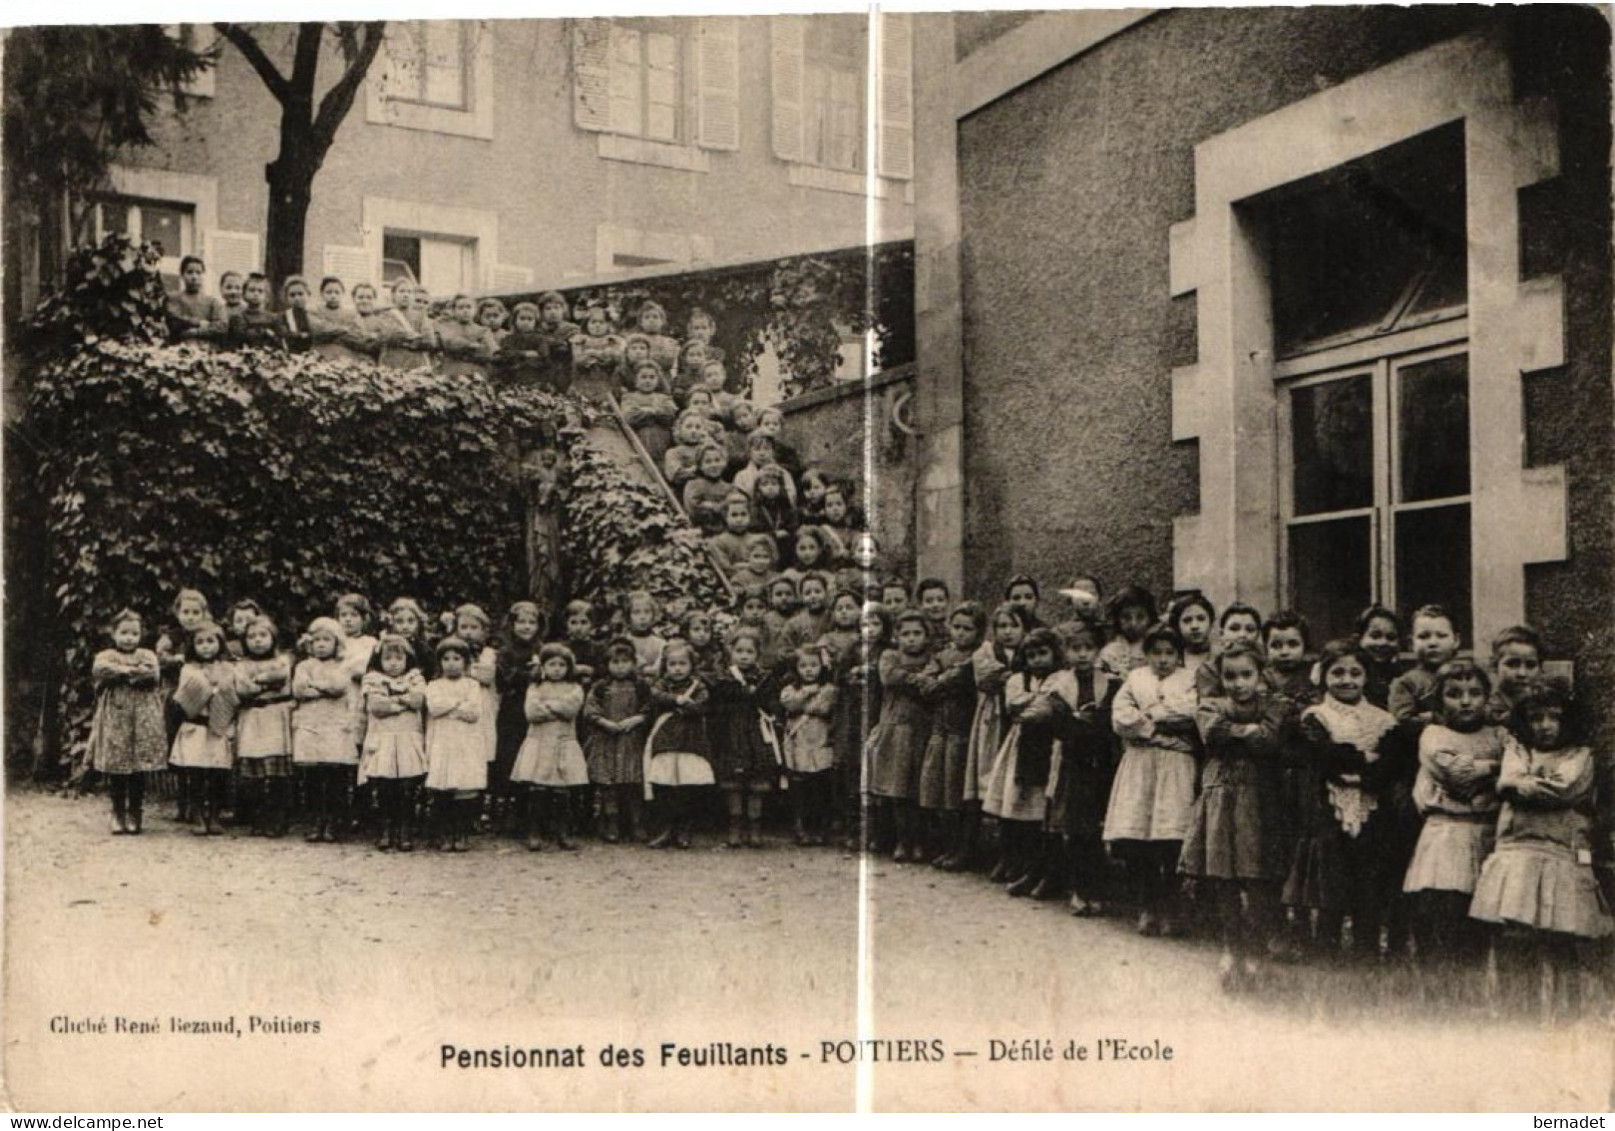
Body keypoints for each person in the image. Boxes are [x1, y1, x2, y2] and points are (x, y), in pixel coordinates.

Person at [1470, 683, 1612, 1018]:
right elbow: (1508, 780)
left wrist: (1522, 786)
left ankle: (1564, 1021)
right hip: (1518, 853)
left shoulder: (1580, 756)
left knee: (1561, 938)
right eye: (1536, 718)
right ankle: (1518, 1014)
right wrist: (1516, 784)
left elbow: (1563, 788)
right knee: (1516, 937)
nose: (1545, 726)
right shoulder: (1518, 750)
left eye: (1553, 718)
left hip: (1561, 854)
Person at [1180, 640, 1293, 990]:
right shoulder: (1209, 705)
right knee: (1223, 876)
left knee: (1258, 876)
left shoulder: (1276, 706)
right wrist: (1250, 729)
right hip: (1220, 800)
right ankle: (1231, 945)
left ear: (1260, 675)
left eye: (1247, 675)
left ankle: (1256, 946)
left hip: (1260, 800)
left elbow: (1270, 741)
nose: (1238, 683)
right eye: (1230, 676)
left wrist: (1242, 731)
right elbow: (1213, 734)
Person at [1284, 638, 1401, 954]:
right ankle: (1326, 949)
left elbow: (1391, 766)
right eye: (1338, 673)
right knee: (1330, 881)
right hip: (1327, 809)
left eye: (1355, 673)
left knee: (1368, 880)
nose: (1347, 680)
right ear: (1323, 676)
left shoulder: (1383, 720)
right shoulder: (1315, 716)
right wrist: (1364, 759)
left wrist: (1358, 764)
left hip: (1373, 810)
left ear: (1366, 677)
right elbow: (1325, 759)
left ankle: (1366, 950)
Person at [1402, 659, 1503, 968]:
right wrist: (1492, 769)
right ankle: (1437, 991)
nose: (1465, 701)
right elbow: (1456, 773)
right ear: (1440, 700)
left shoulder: (1499, 735)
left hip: (1485, 832)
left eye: (1474, 693)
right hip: (1445, 835)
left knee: (1480, 919)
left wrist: (1496, 772)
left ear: (1487, 697)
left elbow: (1514, 773)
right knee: (1442, 911)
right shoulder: (1434, 735)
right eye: (1454, 693)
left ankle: (1473, 996)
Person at [1105, 622, 1200, 936]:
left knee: (1171, 836)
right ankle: (1149, 903)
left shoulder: (1189, 680)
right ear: (1146, 655)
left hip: (1175, 766)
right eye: (1156, 653)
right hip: (1141, 765)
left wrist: (1152, 715)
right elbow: (1120, 716)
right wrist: (1155, 727)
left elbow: (1191, 714)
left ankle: (1173, 905)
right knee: (1138, 835)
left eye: (1170, 653)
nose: (1163, 659)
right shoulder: (1136, 678)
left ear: (1178, 655)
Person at [988, 627, 1076, 894]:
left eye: (1043, 653)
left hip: (1050, 747)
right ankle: (1025, 866)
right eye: (1031, 655)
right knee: (1020, 806)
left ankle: (1050, 873)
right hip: (1020, 746)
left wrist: (1036, 705)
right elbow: (1013, 707)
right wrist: (1036, 704)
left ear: (1055, 653)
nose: (1037, 660)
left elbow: (1050, 707)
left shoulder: (1062, 677)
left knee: (1044, 811)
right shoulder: (1016, 679)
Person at [1046, 616, 1118, 913]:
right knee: (1075, 830)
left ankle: (1097, 890)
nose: (1083, 654)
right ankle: (1078, 889)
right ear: (1067, 652)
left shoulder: (1111, 684)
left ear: (1098, 650)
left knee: (1097, 831)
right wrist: (1081, 722)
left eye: (1089, 647)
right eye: (1076, 648)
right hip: (1072, 765)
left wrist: (1084, 721)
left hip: (1102, 765)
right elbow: (1061, 726)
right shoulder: (1060, 685)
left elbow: (1108, 723)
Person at [963, 603, 1033, 875]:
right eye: (1002, 626)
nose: (1007, 632)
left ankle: (1019, 858)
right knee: (991, 783)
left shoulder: (1031, 649)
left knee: (1013, 789)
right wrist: (1014, 676)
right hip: (993, 723)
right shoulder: (986, 652)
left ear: (1025, 629)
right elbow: (986, 678)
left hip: (1018, 726)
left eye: (1014, 626)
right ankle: (1000, 856)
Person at [90, 609, 168, 835]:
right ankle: (117, 812)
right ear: (114, 634)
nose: (128, 638)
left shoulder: (147, 655)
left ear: (141, 634)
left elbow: (151, 674)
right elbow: (101, 670)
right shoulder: (106, 656)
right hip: (116, 717)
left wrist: (122, 674)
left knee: (138, 767)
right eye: (123, 633)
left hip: (143, 719)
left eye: (134, 633)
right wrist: (130, 671)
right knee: (117, 766)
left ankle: (135, 811)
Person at [865, 610, 935, 861]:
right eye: (906, 634)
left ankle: (920, 842)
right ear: (896, 636)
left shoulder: (933, 658)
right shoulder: (889, 656)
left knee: (919, 789)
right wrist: (920, 678)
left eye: (917, 633)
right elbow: (890, 677)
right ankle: (902, 841)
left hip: (923, 730)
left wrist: (927, 680)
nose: (912, 639)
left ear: (927, 637)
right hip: (896, 729)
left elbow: (935, 686)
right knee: (897, 790)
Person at [919, 602, 983, 868]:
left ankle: (965, 849)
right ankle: (947, 845)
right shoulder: (943, 655)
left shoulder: (980, 657)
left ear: (978, 632)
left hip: (963, 732)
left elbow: (962, 679)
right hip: (939, 730)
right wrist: (942, 680)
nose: (960, 633)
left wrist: (943, 681)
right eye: (956, 627)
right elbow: (925, 685)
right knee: (939, 789)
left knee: (959, 792)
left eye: (967, 628)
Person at [709, 628, 783, 848]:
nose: (744, 656)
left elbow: (771, 703)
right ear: (730, 651)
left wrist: (766, 707)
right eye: (739, 650)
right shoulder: (724, 679)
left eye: (749, 651)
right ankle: (735, 826)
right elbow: (717, 707)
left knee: (757, 781)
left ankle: (755, 828)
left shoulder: (765, 679)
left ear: (757, 654)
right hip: (733, 734)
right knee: (733, 782)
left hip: (757, 735)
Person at [511, 642, 588, 852]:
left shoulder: (575, 688)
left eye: (561, 665)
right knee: (538, 790)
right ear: (543, 666)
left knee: (562, 790)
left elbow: (571, 709)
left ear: (568, 667)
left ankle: (563, 831)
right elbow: (532, 712)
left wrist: (550, 706)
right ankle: (535, 830)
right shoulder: (535, 687)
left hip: (562, 742)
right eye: (551, 664)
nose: (556, 669)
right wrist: (557, 708)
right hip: (540, 743)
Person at [359, 633, 428, 852]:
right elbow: (377, 707)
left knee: (407, 787)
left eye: (399, 659)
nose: (394, 663)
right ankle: (386, 828)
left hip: (408, 737)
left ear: (408, 659)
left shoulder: (416, 677)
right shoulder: (372, 679)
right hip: (384, 738)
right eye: (388, 659)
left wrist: (394, 700)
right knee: (385, 786)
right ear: (379, 660)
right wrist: (402, 702)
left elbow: (418, 701)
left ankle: (405, 828)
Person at [167, 619, 236, 837]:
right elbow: (188, 697)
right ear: (193, 646)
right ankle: (197, 814)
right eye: (200, 642)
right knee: (196, 773)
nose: (206, 646)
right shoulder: (188, 669)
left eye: (211, 641)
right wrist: (211, 687)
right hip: (196, 726)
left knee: (217, 773)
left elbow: (231, 694)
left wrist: (218, 689)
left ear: (220, 643)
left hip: (218, 726)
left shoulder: (228, 668)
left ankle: (214, 815)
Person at [291, 617, 356, 844]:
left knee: (335, 776)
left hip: (335, 726)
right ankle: (316, 821)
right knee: (313, 777)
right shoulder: (303, 666)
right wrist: (322, 687)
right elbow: (299, 690)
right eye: (316, 640)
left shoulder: (342, 665)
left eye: (326, 640)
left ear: (336, 643)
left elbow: (339, 686)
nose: (321, 644)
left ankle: (334, 822)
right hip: (310, 725)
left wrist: (316, 685)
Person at [643, 640, 713, 849]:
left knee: (687, 787)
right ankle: (666, 829)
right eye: (672, 664)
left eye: (682, 664)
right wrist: (677, 700)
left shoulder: (698, 686)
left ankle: (684, 829)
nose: (677, 669)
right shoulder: (661, 685)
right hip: (666, 739)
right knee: (665, 786)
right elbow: (655, 697)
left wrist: (687, 707)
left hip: (690, 741)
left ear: (691, 665)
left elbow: (702, 705)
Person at [583, 639, 651, 843]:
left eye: (624, 661)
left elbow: (650, 708)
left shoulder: (640, 686)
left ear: (633, 663)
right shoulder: (601, 687)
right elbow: (590, 710)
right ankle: (610, 823)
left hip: (632, 740)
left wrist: (637, 719)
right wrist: (604, 722)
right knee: (608, 785)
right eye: (615, 662)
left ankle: (636, 824)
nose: (620, 666)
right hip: (607, 740)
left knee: (633, 784)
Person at [234, 614, 295, 838]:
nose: (257, 640)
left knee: (277, 771)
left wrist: (257, 681)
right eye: (251, 636)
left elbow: (282, 678)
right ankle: (257, 817)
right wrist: (267, 683)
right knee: (254, 772)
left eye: (263, 635)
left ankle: (278, 818)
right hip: (251, 716)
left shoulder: (282, 660)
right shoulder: (241, 665)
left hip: (276, 716)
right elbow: (243, 690)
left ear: (273, 638)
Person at [424, 637, 486, 852]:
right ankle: (444, 832)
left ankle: (461, 832)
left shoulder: (472, 685)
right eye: (446, 659)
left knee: (464, 785)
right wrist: (457, 704)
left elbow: (473, 713)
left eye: (457, 658)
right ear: (439, 662)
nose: (451, 663)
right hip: (442, 741)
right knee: (443, 786)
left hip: (465, 742)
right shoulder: (433, 685)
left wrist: (450, 708)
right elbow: (434, 707)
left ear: (466, 661)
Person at [779, 644, 839, 846]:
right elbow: (790, 705)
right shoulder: (789, 690)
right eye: (803, 665)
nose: (809, 670)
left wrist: (806, 702)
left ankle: (821, 827)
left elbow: (823, 708)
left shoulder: (829, 689)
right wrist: (805, 695)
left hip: (821, 741)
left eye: (814, 665)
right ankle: (799, 826)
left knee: (820, 786)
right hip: (799, 742)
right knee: (799, 787)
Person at [493, 601, 544, 830]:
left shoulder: (542, 649)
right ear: (512, 625)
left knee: (534, 754)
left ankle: (531, 811)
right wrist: (531, 673)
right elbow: (506, 679)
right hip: (513, 709)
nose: (526, 627)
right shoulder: (506, 651)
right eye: (521, 622)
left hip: (536, 707)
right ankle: (509, 809)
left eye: (531, 622)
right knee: (510, 755)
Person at [621, 360, 678, 468]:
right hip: (639, 443)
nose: (648, 381)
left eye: (652, 377)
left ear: (657, 380)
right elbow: (630, 416)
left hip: (662, 444)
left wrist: (647, 411)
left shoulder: (664, 398)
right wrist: (657, 413)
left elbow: (670, 415)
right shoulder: (629, 397)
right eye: (643, 377)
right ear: (636, 379)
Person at [1487, 624, 1545, 724]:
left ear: (1540, 668)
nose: (1522, 673)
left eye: (1530, 665)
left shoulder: (1544, 706)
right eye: (1512, 664)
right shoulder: (1486, 708)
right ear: (1494, 665)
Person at [1098, 585, 1157, 682]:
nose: (1133, 623)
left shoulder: (1156, 645)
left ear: (1150, 618)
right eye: (1126, 617)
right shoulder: (1110, 651)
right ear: (1118, 619)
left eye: (1140, 617)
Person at [165, 255, 228, 342]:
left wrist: (197, 332)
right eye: (190, 272)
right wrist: (199, 323)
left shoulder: (212, 302)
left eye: (198, 273)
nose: (194, 277)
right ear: (182, 275)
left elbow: (221, 327)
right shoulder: (173, 299)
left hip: (206, 349)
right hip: (178, 347)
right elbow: (174, 322)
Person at [379, 280, 438, 371]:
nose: (406, 295)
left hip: (416, 367)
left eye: (409, 292)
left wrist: (405, 342)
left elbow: (430, 341)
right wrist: (416, 337)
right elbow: (391, 335)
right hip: (392, 366)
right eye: (402, 291)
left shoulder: (421, 316)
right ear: (393, 295)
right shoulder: (385, 315)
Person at [1355, 604, 1404, 709]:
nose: (1383, 643)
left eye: (1391, 638)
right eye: (1375, 636)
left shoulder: (1400, 677)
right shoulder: (1349, 674)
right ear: (1359, 639)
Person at [435, 293, 495, 379]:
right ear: (454, 311)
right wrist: (471, 345)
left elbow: (489, 352)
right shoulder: (446, 327)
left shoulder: (483, 330)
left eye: (469, 307)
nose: (465, 310)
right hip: (452, 370)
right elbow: (449, 342)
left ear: (475, 310)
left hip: (475, 372)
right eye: (460, 308)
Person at [307, 276, 365, 363]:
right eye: (329, 292)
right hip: (320, 355)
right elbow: (318, 331)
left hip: (346, 357)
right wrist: (344, 329)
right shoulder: (314, 310)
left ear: (343, 294)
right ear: (322, 294)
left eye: (337, 292)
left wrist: (331, 334)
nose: (333, 296)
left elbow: (358, 335)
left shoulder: (351, 313)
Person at [683, 443, 733, 534]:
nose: (713, 465)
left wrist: (711, 506)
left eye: (717, 460)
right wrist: (720, 507)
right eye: (708, 462)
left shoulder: (729, 488)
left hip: (726, 532)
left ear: (724, 462)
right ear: (700, 465)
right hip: (701, 532)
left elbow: (732, 510)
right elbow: (694, 510)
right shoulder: (693, 485)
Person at [229, 272, 282, 349]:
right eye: (252, 290)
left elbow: (279, 341)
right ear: (244, 294)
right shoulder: (238, 318)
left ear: (267, 297)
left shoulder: (273, 318)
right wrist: (265, 332)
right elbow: (238, 341)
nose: (256, 294)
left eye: (260, 291)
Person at [278, 276, 316, 353]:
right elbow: (285, 334)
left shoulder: (314, 314)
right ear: (286, 298)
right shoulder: (284, 316)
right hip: (292, 354)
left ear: (308, 294)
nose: (297, 298)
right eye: (292, 295)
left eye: (300, 294)